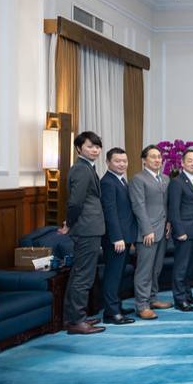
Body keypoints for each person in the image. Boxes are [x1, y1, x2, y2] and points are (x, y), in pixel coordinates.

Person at [61, 131, 106, 334]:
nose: (95, 150)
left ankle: (75, 318)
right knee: (83, 276)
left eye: (97, 146)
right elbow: (75, 202)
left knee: (81, 274)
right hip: (86, 228)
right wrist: (70, 223)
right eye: (90, 146)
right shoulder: (80, 169)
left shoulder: (88, 167)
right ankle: (76, 321)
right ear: (79, 148)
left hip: (90, 227)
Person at [129, 144, 172, 320]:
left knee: (156, 269)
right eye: (153, 156)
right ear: (144, 160)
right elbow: (138, 206)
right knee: (144, 271)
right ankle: (142, 305)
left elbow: (165, 204)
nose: (157, 160)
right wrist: (147, 230)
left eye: (159, 157)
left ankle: (153, 298)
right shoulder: (138, 179)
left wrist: (169, 222)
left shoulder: (166, 178)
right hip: (147, 233)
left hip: (163, 231)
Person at [99, 147, 137, 325]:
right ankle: (111, 312)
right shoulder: (107, 182)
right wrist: (116, 237)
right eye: (117, 161)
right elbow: (110, 212)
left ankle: (117, 306)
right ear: (108, 163)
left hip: (125, 236)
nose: (122, 164)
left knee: (120, 274)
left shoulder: (121, 180)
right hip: (116, 239)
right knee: (113, 275)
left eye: (124, 161)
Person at [167, 149, 193, 312]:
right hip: (184, 231)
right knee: (181, 267)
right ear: (182, 163)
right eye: (190, 160)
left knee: (190, 266)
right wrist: (179, 230)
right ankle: (179, 299)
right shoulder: (177, 182)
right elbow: (173, 209)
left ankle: (188, 295)